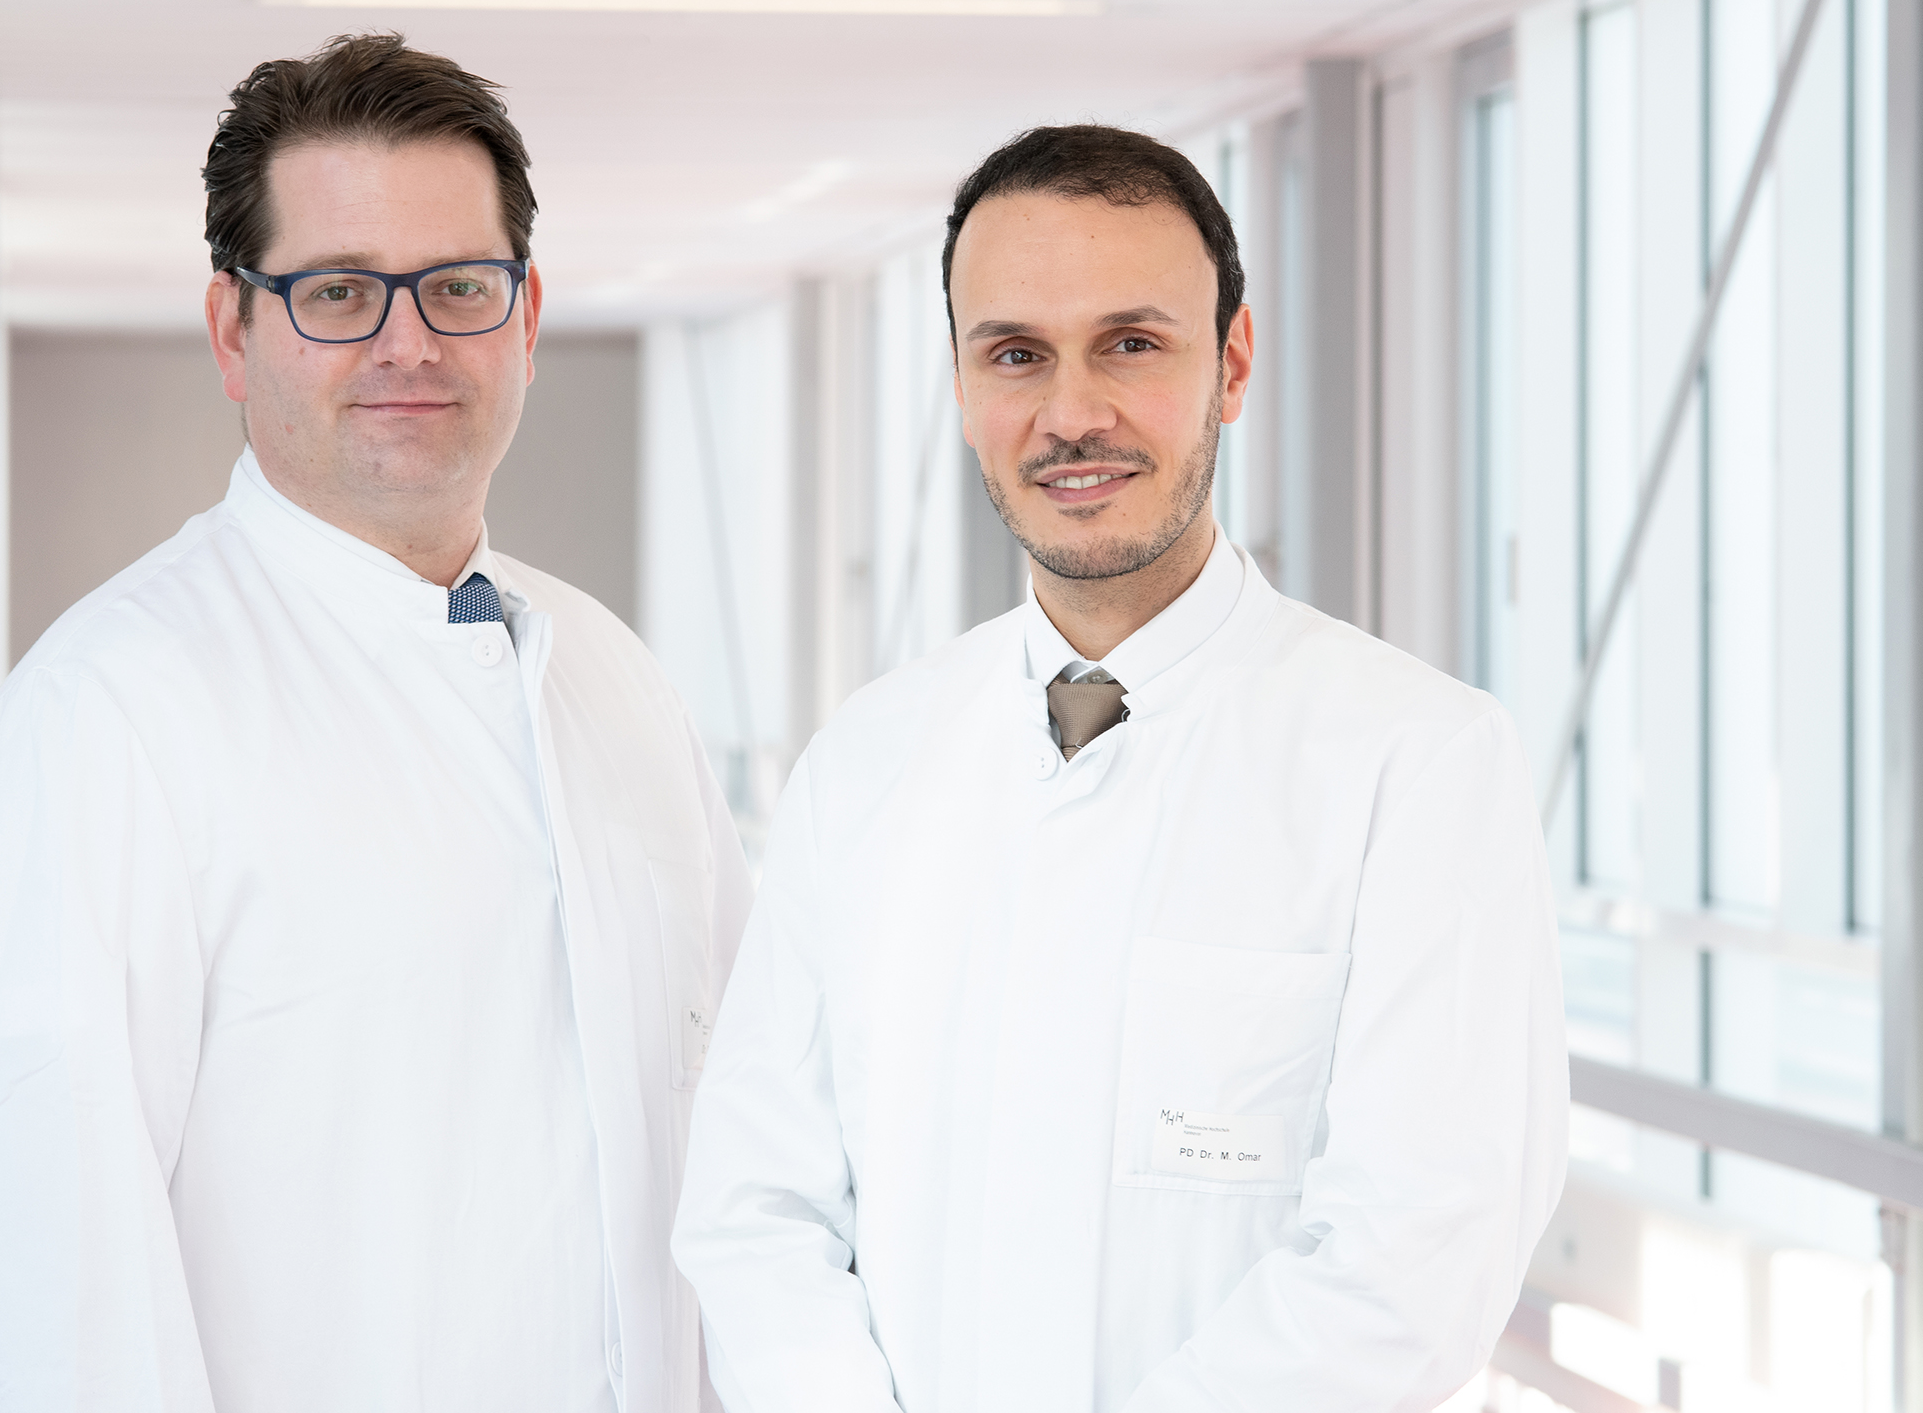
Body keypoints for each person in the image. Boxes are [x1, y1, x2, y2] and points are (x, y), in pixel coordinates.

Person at [0, 33, 750, 1413]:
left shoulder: (614, 678)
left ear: (524, 321)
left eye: (460, 288)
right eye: (340, 292)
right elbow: (31, 1287)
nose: (407, 342)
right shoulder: (102, 722)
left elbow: (741, 1142)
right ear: (237, 331)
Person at [671, 124, 1568, 1412]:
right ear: (966, 387)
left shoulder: (1419, 762)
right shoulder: (863, 762)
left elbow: (1417, 1254)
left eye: (1132, 344)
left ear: (1232, 363)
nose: (1073, 413)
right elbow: (758, 1208)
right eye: (1017, 355)